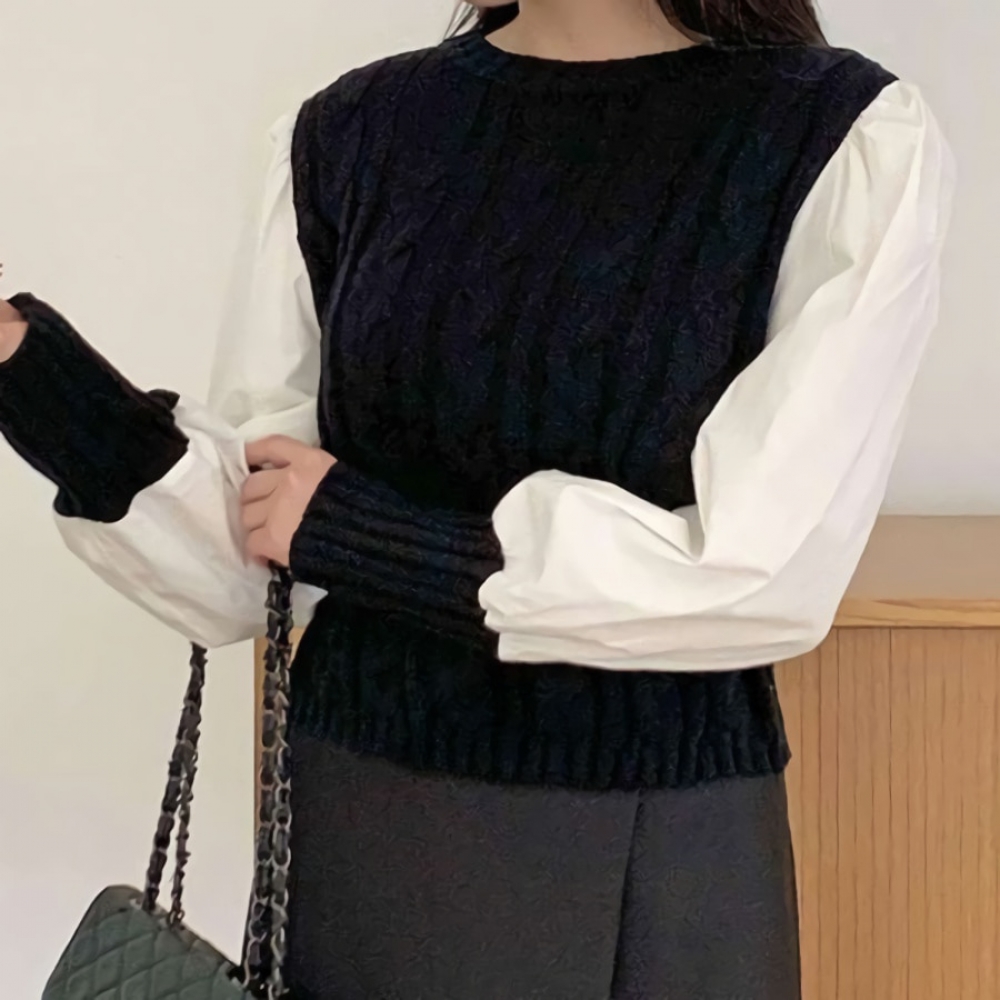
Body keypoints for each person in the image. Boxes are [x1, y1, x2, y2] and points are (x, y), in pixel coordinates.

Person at [0, 0, 955, 997]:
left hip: (644, 832)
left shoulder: (839, 137)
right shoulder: (347, 132)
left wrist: (367, 536)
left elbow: (758, 570)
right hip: (358, 817)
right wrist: (22, 361)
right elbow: (258, 547)